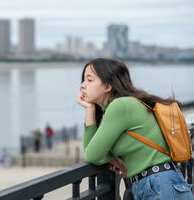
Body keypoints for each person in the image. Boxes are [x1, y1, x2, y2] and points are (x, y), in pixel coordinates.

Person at [77, 58, 194, 200]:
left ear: (108, 86)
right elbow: (90, 150)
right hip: (154, 183)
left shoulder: (120, 106)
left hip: (158, 183)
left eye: (89, 80)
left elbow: (92, 155)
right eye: (83, 80)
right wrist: (89, 109)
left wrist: (107, 157)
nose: (82, 85)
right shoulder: (119, 106)